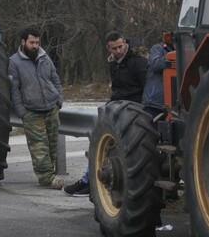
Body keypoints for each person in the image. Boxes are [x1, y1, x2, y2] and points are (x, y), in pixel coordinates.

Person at [63, 30, 148, 197]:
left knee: (105, 141)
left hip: (133, 109)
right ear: (108, 48)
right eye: (114, 48)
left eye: (120, 46)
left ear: (125, 42)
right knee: (100, 141)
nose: (118, 51)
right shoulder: (113, 64)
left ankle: (89, 182)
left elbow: (146, 89)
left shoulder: (138, 62)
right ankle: (88, 180)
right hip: (117, 106)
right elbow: (117, 89)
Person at [9, 27, 65, 190]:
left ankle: (51, 174)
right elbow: (14, 89)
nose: (35, 46)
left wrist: (58, 101)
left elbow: (55, 79)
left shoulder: (44, 57)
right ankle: (47, 178)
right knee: (39, 147)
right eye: (32, 42)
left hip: (51, 108)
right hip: (31, 111)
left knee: (51, 146)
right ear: (23, 42)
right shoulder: (14, 62)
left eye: (37, 42)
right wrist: (22, 112)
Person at [141, 34, 175, 117]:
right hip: (154, 103)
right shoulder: (158, 49)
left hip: (174, 104)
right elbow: (155, 64)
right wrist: (172, 57)